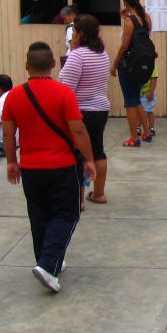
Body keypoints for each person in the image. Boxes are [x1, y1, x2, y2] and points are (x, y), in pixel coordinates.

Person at [2, 41, 95, 293]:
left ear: (26, 66)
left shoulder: (13, 95)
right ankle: (47, 265)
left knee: (39, 215)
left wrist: (12, 161)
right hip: (61, 165)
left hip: (31, 167)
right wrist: (88, 158)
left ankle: (48, 261)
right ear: (54, 64)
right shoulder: (64, 93)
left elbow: (9, 135)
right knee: (67, 213)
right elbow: (78, 129)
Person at [59, 15, 112, 205]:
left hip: (80, 112)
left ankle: (79, 199)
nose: (71, 36)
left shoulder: (78, 56)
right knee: (97, 151)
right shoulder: (102, 53)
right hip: (100, 109)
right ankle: (99, 193)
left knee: (79, 154)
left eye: (73, 33)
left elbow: (67, 90)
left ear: (81, 34)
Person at [112, 0, 154, 147]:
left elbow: (124, 47)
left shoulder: (129, 21)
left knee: (130, 101)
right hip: (144, 63)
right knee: (137, 99)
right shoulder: (146, 17)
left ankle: (133, 138)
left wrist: (115, 64)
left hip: (129, 64)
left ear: (125, 3)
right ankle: (146, 133)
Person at [140, 63, 159, 139]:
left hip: (147, 94)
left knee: (149, 111)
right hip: (138, 93)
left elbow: (154, 79)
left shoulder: (152, 65)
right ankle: (138, 127)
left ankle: (151, 128)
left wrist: (151, 93)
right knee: (139, 112)